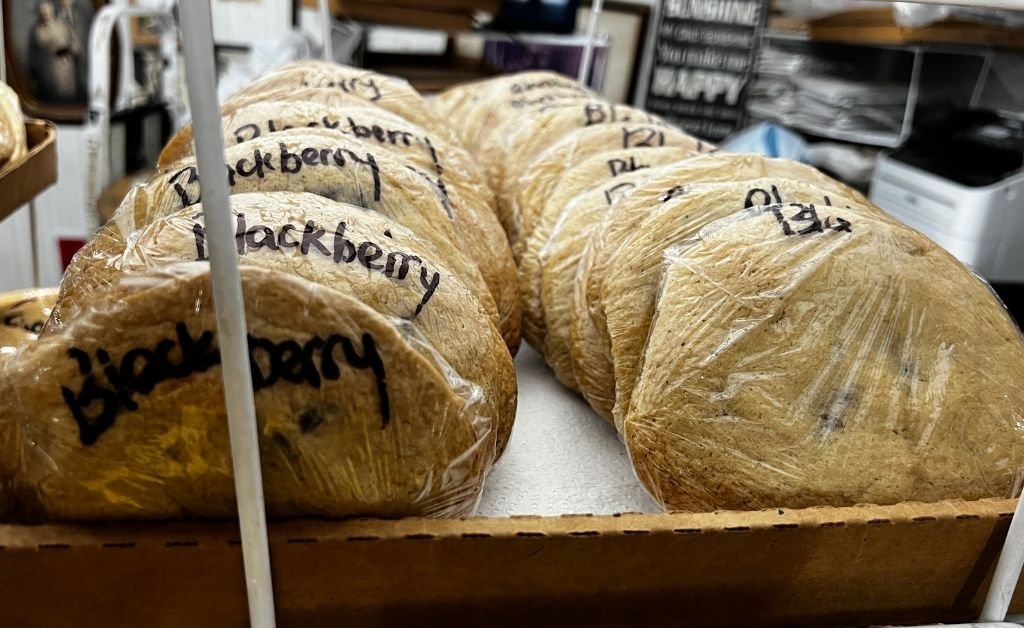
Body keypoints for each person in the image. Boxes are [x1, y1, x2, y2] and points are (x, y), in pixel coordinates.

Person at [28, 0, 80, 102]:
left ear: (52, 11)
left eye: (47, 11)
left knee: (67, 96)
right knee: (50, 94)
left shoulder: (63, 26)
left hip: (65, 66)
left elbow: (76, 44)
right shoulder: (36, 31)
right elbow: (32, 53)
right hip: (46, 69)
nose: (45, 14)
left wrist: (67, 50)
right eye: (42, 12)